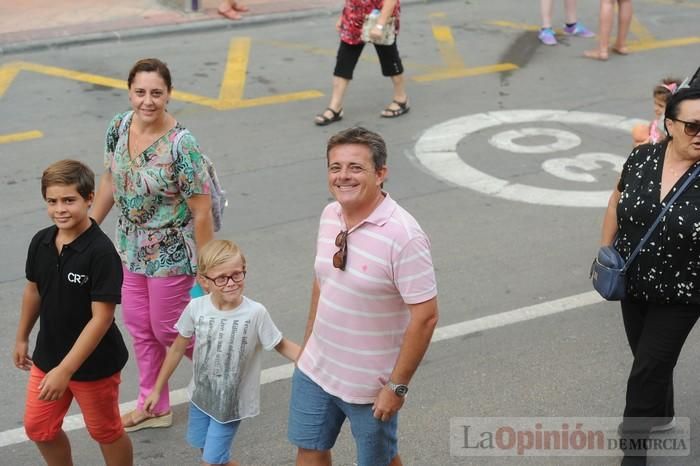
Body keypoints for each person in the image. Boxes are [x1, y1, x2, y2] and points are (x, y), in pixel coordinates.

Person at [288, 127, 439, 466]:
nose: (343, 176)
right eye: (335, 167)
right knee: (309, 450)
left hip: (370, 385)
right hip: (317, 369)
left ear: (381, 173)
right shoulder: (331, 215)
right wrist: (308, 343)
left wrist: (397, 387)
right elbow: (322, 280)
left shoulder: (404, 236)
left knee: (379, 460)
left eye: (355, 167)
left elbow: (426, 316)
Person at [92, 57, 215, 432]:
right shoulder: (119, 126)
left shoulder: (182, 145)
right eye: (140, 92)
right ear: (130, 92)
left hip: (171, 250)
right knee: (139, 326)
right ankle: (154, 405)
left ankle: (221, 369)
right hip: (129, 245)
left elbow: (202, 211)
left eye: (156, 93)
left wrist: (206, 266)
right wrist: (88, 231)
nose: (148, 100)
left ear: (169, 95)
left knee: (166, 328)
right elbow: (111, 180)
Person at [599, 87, 700, 466]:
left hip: (684, 291)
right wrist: (605, 252)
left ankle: (634, 452)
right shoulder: (642, 157)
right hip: (634, 282)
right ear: (670, 125)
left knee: (646, 370)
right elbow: (616, 199)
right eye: (692, 126)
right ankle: (661, 413)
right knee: (649, 359)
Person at [13, 159, 133, 465]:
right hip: (48, 357)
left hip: (94, 366)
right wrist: (22, 337)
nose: (60, 209)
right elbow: (33, 290)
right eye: (52, 201)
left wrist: (66, 372)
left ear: (89, 198)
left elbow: (102, 318)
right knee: (38, 428)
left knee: (105, 431)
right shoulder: (41, 241)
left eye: (69, 200)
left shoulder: (101, 253)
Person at [143, 239, 300, 466]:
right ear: (204, 281)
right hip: (201, 396)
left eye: (237, 274)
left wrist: (313, 363)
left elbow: (281, 344)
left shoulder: (255, 313)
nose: (231, 283)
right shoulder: (196, 308)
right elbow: (177, 348)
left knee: (210, 462)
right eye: (221, 278)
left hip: (230, 405)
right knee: (208, 451)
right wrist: (157, 390)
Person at [314, 0, 408, 126]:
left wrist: (380, 25)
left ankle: (401, 99)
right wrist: (343, 16)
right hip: (354, 20)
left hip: (380, 18)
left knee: (390, 60)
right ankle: (335, 108)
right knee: (344, 62)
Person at [632, 78, 681, 146]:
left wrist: (643, 145)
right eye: (655, 103)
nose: (656, 109)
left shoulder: (669, 129)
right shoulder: (655, 123)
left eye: (660, 106)